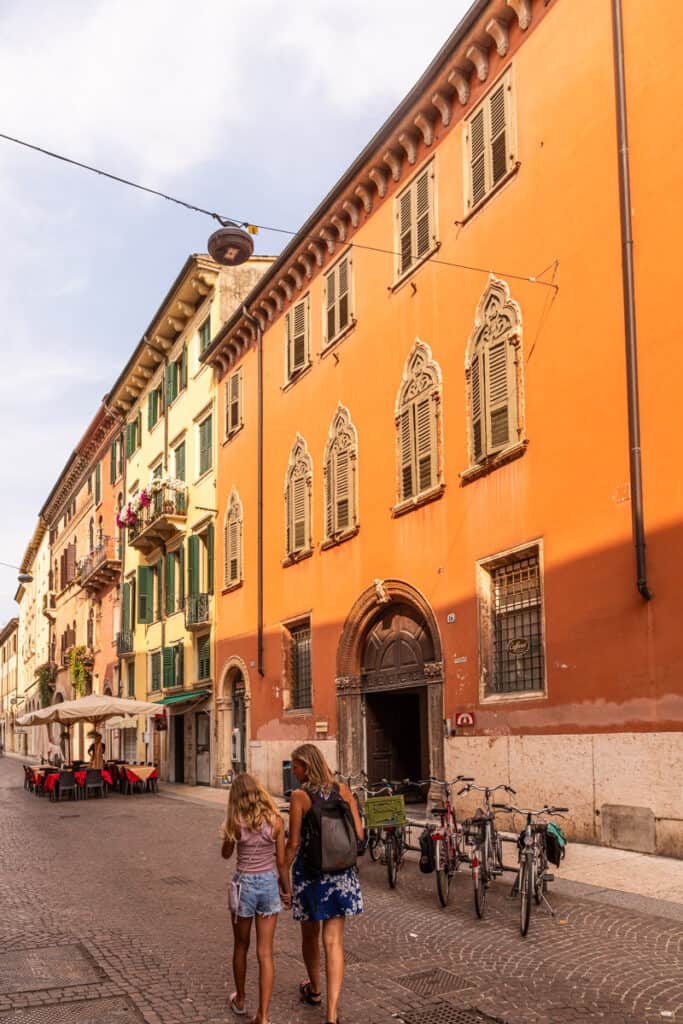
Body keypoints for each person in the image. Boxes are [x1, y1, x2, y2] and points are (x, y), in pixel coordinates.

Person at [286, 743, 364, 1024]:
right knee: (334, 942)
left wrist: (282, 870)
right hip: (341, 875)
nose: (292, 771)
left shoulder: (299, 796)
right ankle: (331, 1015)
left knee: (310, 936)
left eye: (295, 766)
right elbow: (358, 832)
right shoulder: (342, 790)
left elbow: (293, 843)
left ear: (306, 766)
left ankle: (315, 990)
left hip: (311, 876)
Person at [220, 772, 291, 1024]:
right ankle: (263, 1016)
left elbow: (226, 855)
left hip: (244, 886)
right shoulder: (276, 820)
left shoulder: (236, 822)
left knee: (241, 945)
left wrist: (231, 834)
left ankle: (240, 999)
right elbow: (281, 862)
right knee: (266, 953)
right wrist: (287, 890)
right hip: (269, 884)